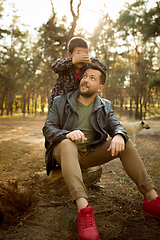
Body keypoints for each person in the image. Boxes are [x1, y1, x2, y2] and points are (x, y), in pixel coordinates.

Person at [43, 63, 160, 240]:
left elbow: (116, 125)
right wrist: (67, 134)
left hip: (91, 153)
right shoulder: (62, 100)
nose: (85, 80)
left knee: (125, 142)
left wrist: (119, 135)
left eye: (92, 78)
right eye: (85, 76)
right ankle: (84, 210)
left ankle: (152, 200)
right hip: (64, 152)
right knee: (67, 144)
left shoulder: (105, 105)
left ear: (100, 87)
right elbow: (48, 128)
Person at [49, 36, 107, 108]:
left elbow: (104, 68)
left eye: (84, 55)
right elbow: (55, 67)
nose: (81, 59)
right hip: (59, 105)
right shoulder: (66, 65)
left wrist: (90, 61)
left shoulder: (86, 67)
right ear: (69, 55)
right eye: (79, 54)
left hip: (75, 106)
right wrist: (73, 60)